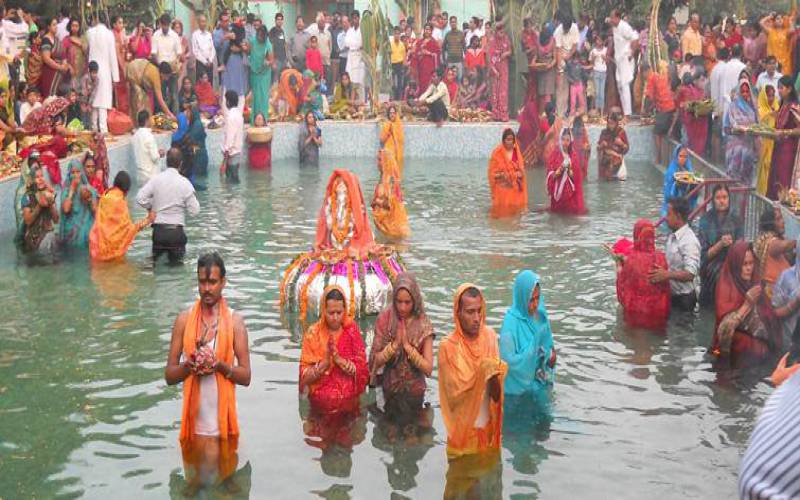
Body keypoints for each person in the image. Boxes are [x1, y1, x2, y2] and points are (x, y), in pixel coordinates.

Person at [164, 252, 251, 490]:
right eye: (202, 282)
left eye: (212, 282)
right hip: (194, 423)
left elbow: (246, 376)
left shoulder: (235, 322)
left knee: (219, 481)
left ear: (223, 282)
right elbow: (169, 376)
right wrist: (189, 366)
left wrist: (219, 365)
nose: (207, 288)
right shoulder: (184, 321)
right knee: (197, 484)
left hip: (222, 421)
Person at [438, 284, 507, 459]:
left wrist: (492, 376)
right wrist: (482, 373)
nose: (477, 318)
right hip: (462, 439)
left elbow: (496, 397)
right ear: (458, 313)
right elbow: (453, 400)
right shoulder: (448, 347)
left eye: (479, 310)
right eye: (470, 312)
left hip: (488, 435)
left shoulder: (490, 337)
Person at [368, 272, 432, 413]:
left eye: (407, 303)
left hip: (416, 391)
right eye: (398, 302)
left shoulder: (423, 322)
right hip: (389, 390)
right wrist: (394, 345)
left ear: (415, 300)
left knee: (417, 427)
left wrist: (408, 347)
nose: (402, 308)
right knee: (387, 426)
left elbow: (428, 369)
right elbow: (374, 362)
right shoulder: (385, 319)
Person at [711, 241, 781, 368]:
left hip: (759, 359)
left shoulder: (756, 286)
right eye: (744, 264)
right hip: (729, 357)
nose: (749, 268)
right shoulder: (726, 288)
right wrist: (747, 305)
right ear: (736, 266)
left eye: (751, 263)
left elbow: (770, 318)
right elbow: (724, 331)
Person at [299, 285, 368, 413]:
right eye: (331, 313)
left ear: (344, 310)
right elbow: (304, 379)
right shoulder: (313, 333)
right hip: (320, 403)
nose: (335, 317)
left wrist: (340, 361)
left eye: (339, 312)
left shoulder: (351, 331)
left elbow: (362, 371)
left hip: (349, 402)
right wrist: (323, 365)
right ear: (323, 310)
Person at [136, 147, 200, 265]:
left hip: (159, 233)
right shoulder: (185, 183)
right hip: (176, 233)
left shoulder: (156, 179)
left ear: (166, 162)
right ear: (181, 164)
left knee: (155, 266)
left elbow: (140, 198)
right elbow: (195, 210)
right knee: (177, 268)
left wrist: (152, 207)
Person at [499, 270, 556, 396]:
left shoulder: (541, 317)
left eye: (538, 298)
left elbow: (548, 346)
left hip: (540, 384)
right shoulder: (510, 323)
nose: (535, 304)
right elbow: (508, 363)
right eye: (531, 300)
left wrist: (551, 358)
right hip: (518, 394)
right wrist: (534, 348)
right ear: (522, 297)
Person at [616, 219, 671, 329]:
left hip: (637, 314)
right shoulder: (661, 258)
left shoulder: (631, 260)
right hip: (659, 312)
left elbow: (622, 290)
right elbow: (666, 288)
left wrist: (618, 264)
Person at [649, 197, 701, 312]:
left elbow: (690, 274)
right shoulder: (672, 236)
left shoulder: (689, 241)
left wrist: (667, 275)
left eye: (668, 214)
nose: (665, 218)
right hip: (672, 294)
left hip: (684, 299)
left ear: (678, 216)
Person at [88, 171, 153, 261]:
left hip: (96, 245)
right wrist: (148, 220)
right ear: (126, 189)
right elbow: (127, 230)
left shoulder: (106, 194)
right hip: (111, 250)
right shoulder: (119, 201)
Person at [697, 184, 744, 307]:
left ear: (729, 199)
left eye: (725, 197)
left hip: (732, 263)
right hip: (711, 265)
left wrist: (733, 245)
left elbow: (741, 247)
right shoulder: (705, 220)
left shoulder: (736, 219)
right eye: (718, 198)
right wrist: (720, 244)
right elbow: (703, 255)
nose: (722, 201)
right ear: (713, 200)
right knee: (717, 275)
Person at [766, 77, 800, 201]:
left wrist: (785, 132)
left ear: (789, 89)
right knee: (775, 176)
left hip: (788, 149)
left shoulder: (793, 107)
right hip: (778, 146)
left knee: (783, 176)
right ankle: (773, 206)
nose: (779, 91)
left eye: (781, 88)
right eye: (778, 88)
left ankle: (782, 206)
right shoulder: (782, 105)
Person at [15, 163, 59, 255]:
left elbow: (56, 219)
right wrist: (39, 206)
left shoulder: (48, 194)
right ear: (31, 180)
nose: (40, 179)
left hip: (49, 235)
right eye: (37, 177)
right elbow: (28, 221)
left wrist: (51, 204)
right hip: (35, 239)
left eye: (42, 176)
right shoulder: (27, 197)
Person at [86, 13, 118, 134]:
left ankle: (93, 128)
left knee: (94, 100)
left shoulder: (89, 32)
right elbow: (112, 56)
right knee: (103, 101)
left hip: (92, 69)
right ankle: (103, 129)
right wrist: (115, 77)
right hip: (105, 70)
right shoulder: (109, 34)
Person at [723, 79, 758, 186]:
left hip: (749, 147)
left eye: (747, 91)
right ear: (739, 91)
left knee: (746, 179)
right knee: (733, 178)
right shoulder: (732, 106)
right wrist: (736, 130)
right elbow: (726, 128)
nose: (745, 94)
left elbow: (758, 125)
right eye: (742, 91)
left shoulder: (753, 107)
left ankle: (745, 196)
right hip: (735, 148)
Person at [754, 206, 795, 295]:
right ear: (770, 224)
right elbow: (784, 245)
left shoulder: (777, 239)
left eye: (781, 218)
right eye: (778, 219)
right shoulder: (768, 242)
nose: (783, 222)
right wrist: (797, 242)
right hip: (775, 292)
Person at [371, 148, 409, 240]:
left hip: (392, 230)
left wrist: (377, 202)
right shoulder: (382, 179)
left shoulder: (391, 181)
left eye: (380, 160)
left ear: (386, 162)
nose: (377, 163)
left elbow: (392, 205)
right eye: (377, 160)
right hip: (382, 226)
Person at [58, 159, 98, 248]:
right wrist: (72, 190)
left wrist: (90, 200)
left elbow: (96, 212)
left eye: (78, 172)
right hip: (71, 237)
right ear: (69, 175)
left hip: (86, 236)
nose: (75, 175)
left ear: (82, 173)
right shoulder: (66, 192)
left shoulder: (89, 189)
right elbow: (66, 209)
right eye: (73, 172)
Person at [488, 128, 527, 218]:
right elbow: (491, 174)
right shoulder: (497, 153)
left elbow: (522, 171)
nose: (510, 142)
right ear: (503, 140)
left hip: (515, 191)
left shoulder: (517, 153)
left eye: (511, 139)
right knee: (502, 216)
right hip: (502, 191)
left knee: (514, 216)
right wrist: (501, 175)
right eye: (508, 139)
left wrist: (518, 174)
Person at [546, 127, 585, 214]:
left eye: (567, 140)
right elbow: (550, 175)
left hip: (570, 198)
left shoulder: (574, 156)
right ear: (560, 140)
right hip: (557, 197)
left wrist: (569, 170)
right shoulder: (554, 154)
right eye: (563, 139)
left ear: (571, 141)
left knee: (569, 217)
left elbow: (576, 179)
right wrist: (561, 169)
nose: (565, 142)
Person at [609, 10, 638, 116]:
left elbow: (635, 38)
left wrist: (632, 53)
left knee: (624, 85)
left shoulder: (624, 27)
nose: (611, 20)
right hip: (618, 60)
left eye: (612, 18)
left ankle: (627, 114)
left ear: (617, 18)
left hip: (626, 59)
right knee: (620, 85)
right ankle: (625, 111)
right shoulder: (614, 27)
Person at [675, 73, 709, 156]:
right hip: (694, 124)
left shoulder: (701, 92)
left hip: (694, 123)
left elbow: (678, 103)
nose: (704, 83)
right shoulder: (693, 91)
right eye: (702, 80)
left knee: (689, 144)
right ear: (695, 81)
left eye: (704, 80)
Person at [756, 84, 780, 196]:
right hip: (763, 146)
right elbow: (760, 125)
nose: (771, 98)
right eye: (769, 96)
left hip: (775, 146)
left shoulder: (777, 108)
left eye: (773, 95)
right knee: (764, 171)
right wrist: (770, 115)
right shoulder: (760, 111)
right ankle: (762, 195)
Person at [39, 18, 70, 99]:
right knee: (50, 98)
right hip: (49, 73)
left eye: (56, 24)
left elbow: (63, 55)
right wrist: (60, 67)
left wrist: (64, 65)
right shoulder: (46, 40)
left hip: (60, 74)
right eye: (54, 25)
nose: (56, 27)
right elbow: (46, 59)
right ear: (48, 27)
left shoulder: (57, 40)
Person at [488, 19, 512, 121]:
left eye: (503, 32)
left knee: (503, 91)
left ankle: (503, 114)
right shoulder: (492, 41)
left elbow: (510, 51)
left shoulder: (506, 39)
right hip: (494, 68)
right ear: (496, 31)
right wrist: (494, 70)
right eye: (500, 32)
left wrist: (506, 53)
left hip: (504, 68)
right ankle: (495, 114)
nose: (502, 34)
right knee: (495, 91)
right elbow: (490, 58)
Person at [661, 144, 695, 217]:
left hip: (684, 206)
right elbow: (668, 194)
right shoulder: (671, 172)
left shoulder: (688, 170)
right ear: (676, 156)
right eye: (680, 156)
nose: (683, 159)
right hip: (671, 207)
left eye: (685, 157)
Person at [248, 25, 272, 124]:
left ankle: (264, 119)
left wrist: (268, 62)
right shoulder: (252, 41)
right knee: (255, 96)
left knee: (263, 96)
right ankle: (254, 120)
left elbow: (271, 60)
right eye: (259, 35)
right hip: (254, 72)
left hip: (264, 73)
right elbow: (248, 52)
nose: (260, 37)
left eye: (262, 36)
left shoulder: (268, 44)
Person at [132, 110, 163, 185]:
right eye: (150, 118)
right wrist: (160, 153)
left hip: (140, 174)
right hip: (150, 175)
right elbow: (155, 157)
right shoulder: (149, 136)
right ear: (147, 120)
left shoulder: (135, 136)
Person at [596, 107, 629, 180]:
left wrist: (622, 144)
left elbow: (626, 149)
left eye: (612, 124)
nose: (610, 126)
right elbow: (598, 148)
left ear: (616, 123)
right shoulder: (604, 132)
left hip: (617, 163)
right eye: (609, 123)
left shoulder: (621, 132)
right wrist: (601, 145)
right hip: (604, 162)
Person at [761, 11, 795, 78]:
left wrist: (790, 21)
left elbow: (792, 30)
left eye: (781, 18)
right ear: (774, 21)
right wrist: (770, 16)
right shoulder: (770, 31)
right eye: (777, 18)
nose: (780, 20)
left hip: (785, 62)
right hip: (773, 62)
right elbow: (761, 23)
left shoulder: (786, 31)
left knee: (784, 81)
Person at [221, 91, 243, 182]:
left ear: (228, 102)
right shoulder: (239, 115)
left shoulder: (230, 117)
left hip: (231, 155)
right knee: (234, 180)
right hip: (237, 152)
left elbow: (229, 140)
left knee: (231, 181)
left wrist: (224, 162)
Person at [414, 23, 440, 98]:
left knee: (429, 84)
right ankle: (421, 100)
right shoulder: (419, 42)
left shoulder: (434, 42)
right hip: (421, 67)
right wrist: (420, 53)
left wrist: (428, 53)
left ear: (431, 31)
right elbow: (416, 53)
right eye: (426, 29)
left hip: (430, 67)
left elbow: (437, 54)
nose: (427, 31)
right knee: (421, 84)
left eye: (429, 29)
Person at [62, 18, 87, 93]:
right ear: (70, 26)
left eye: (77, 26)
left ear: (79, 27)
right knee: (72, 93)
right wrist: (69, 66)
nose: (74, 28)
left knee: (82, 93)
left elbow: (87, 53)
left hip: (82, 71)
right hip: (71, 72)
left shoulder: (83, 39)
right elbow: (63, 56)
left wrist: (80, 44)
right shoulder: (66, 39)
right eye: (73, 25)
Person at [536, 23, 557, 110]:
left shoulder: (553, 41)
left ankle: (548, 113)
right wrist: (535, 63)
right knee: (541, 93)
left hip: (550, 69)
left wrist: (550, 65)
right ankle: (541, 113)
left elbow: (555, 58)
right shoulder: (538, 40)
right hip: (541, 69)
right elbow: (536, 55)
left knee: (548, 93)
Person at [112, 17, 130, 115]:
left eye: (122, 23)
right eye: (119, 23)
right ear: (114, 25)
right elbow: (117, 54)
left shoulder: (122, 34)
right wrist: (123, 69)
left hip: (123, 66)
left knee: (124, 92)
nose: (121, 25)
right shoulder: (113, 35)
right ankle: (120, 115)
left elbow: (125, 51)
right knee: (118, 93)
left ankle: (124, 114)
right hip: (117, 68)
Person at [344, 11, 365, 94]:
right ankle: (351, 97)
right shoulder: (350, 31)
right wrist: (356, 43)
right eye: (353, 18)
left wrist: (354, 43)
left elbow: (362, 44)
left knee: (359, 78)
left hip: (359, 55)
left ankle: (360, 97)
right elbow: (346, 43)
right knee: (350, 76)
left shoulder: (362, 30)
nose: (354, 20)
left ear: (359, 18)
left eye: (356, 18)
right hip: (351, 55)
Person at [379, 104, 404, 173]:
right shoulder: (386, 124)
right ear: (388, 114)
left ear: (396, 114)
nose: (392, 115)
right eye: (390, 113)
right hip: (388, 155)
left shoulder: (398, 125)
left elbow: (401, 140)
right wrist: (388, 130)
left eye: (393, 113)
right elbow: (381, 140)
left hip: (397, 155)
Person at [191, 15, 216, 83]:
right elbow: (196, 51)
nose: (204, 23)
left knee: (209, 83)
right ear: (198, 23)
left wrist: (210, 60)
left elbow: (212, 49)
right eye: (202, 21)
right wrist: (205, 62)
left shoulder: (209, 34)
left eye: (205, 21)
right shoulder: (195, 35)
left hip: (210, 63)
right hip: (201, 63)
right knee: (201, 84)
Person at [590, 34, 607, 114]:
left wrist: (605, 58)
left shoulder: (606, 50)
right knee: (597, 92)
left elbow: (608, 61)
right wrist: (593, 58)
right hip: (596, 71)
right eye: (597, 40)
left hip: (603, 72)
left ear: (603, 41)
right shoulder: (593, 51)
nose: (598, 42)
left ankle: (602, 110)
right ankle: (597, 109)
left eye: (600, 40)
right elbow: (591, 62)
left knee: (602, 92)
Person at [269, 13, 287, 84]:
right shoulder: (272, 31)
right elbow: (270, 46)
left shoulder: (282, 31)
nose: (279, 21)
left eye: (281, 20)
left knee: (282, 81)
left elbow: (284, 44)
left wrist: (286, 59)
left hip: (283, 60)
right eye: (278, 19)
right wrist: (273, 61)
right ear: (275, 21)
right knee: (275, 81)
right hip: (276, 60)